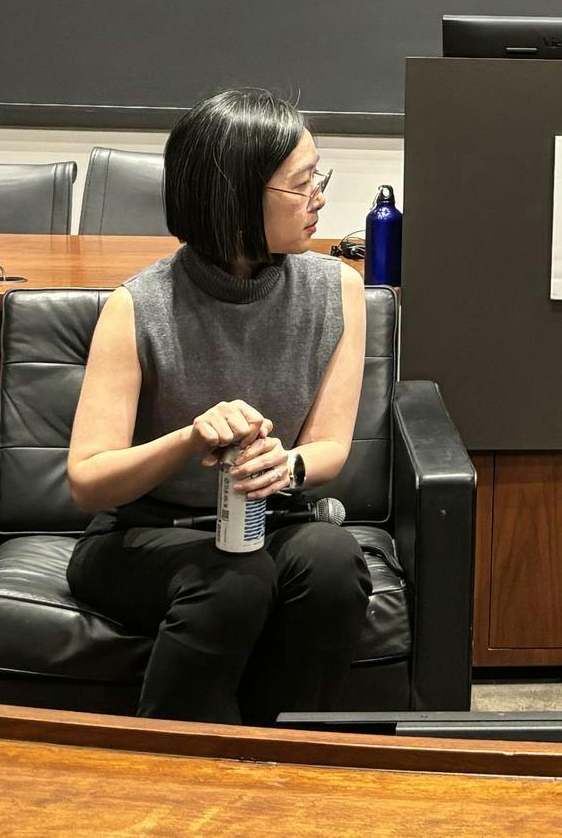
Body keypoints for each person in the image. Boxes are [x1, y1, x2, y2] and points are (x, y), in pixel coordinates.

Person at [65, 87, 370, 724]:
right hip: (143, 534)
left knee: (333, 563)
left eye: (318, 178)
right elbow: (89, 482)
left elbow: (330, 446)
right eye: (302, 184)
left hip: (269, 521)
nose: (319, 198)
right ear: (237, 197)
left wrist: (287, 466)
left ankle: (284, 758)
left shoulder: (337, 289)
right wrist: (189, 439)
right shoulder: (138, 306)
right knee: (235, 581)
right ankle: (174, 766)